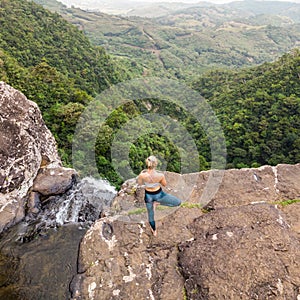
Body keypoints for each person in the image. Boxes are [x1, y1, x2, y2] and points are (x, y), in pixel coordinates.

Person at [137, 155, 181, 236]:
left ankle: (154, 231)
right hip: (159, 194)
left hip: (148, 196)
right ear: (155, 164)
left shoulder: (142, 175)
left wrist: (142, 176)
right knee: (178, 202)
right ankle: (158, 203)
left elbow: (140, 183)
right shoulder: (160, 175)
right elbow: (164, 184)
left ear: (147, 164)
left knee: (151, 215)